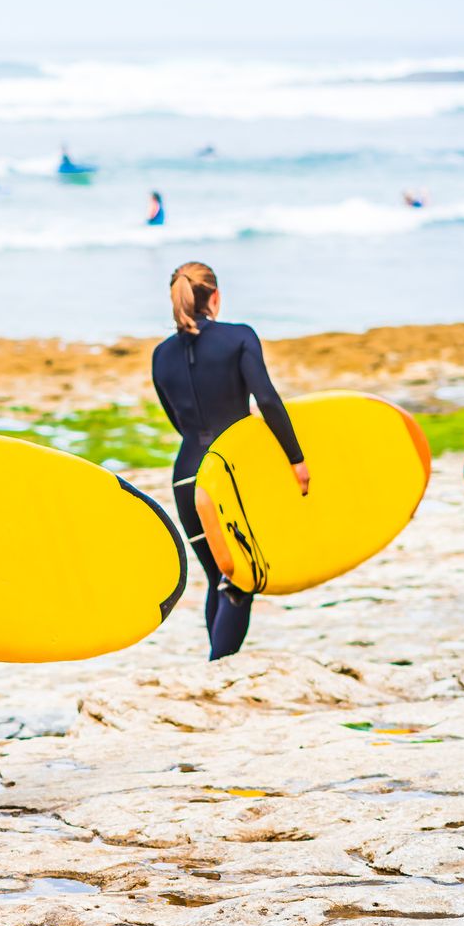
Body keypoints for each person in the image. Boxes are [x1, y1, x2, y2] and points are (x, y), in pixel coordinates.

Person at [150, 262, 307, 660]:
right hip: (228, 474)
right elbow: (267, 400)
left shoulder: (161, 356)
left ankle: (217, 665)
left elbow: (176, 420)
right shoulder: (239, 338)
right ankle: (218, 668)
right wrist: (296, 458)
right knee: (240, 579)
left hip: (187, 476)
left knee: (217, 575)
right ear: (215, 297)